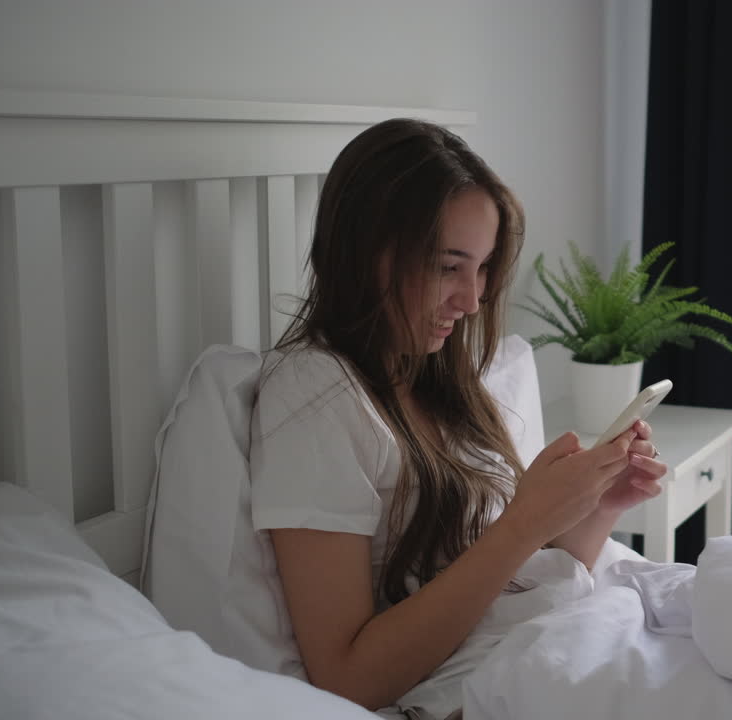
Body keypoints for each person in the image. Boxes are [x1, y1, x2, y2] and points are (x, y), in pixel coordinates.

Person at [248, 118, 668, 714]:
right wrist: (522, 524)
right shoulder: (313, 394)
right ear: (368, 253)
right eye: (448, 267)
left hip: (550, 644)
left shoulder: (441, 378)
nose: (471, 301)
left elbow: (516, 589)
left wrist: (600, 506)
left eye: (481, 268)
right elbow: (348, 680)